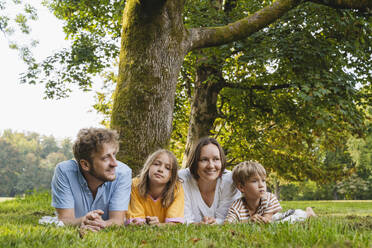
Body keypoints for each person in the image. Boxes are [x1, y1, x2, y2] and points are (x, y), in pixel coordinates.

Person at [51, 128, 132, 231]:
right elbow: (65, 220)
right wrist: (84, 220)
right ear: (85, 164)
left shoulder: (123, 173)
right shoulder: (64, 172)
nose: (114, 163)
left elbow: (117, 220)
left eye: (114, 154)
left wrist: (101, 224)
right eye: (105, 158)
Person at [225, 161, 316, 224]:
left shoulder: (269, 198)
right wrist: (248, 222)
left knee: (290, 218)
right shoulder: (237, 206)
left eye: (263, 180)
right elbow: (228, 223)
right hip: (271, 221)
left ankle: (308, 213)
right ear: (242, 187)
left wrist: (258, 220)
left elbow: (266, 220)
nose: (261, 185)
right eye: (254, 181)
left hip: (274, 218)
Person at [178, 137, 240, 224]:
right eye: (204, 160)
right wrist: (197, 225)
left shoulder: (230, 180)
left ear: (221, 161)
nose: (211, 165)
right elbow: (183, 219)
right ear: (195, 162)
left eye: (216, 159)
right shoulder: (182, 178)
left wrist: (216, 222)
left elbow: (228, 219)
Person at [126, 149, 184, 225]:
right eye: (156, 164)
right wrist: (145, 224)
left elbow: (175, 224)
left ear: (171, 175)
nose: (160, 170)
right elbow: (135, 222)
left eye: (167, 168)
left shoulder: (177, 188)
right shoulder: (135, 184)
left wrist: (158, 225)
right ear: (148, 166)